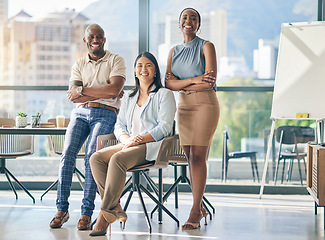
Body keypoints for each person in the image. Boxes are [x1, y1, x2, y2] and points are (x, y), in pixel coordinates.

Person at [89, 52, 176, 236]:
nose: (143, 69)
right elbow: (119, 125)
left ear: (155, 71)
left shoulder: (164, 94)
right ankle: (115, 206)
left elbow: (165, 127)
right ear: (135, 72)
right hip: (129, 143)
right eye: (139, 66)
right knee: (96, 158)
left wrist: (140, 139)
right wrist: (127, 139)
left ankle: (103, 217)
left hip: (151, 146)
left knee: (117, 159)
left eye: (148, 65)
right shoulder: (128, 96)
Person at [49, 24, 126, 230]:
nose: (95, 39)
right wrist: (106, 91)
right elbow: (74, 97)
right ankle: (62, 209)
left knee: (92, 156)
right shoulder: (79, 64)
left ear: (104, 39)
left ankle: (86, 212)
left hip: (106, 113)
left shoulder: (115, 60)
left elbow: (115, 89)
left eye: (99, 36)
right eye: (91, 36)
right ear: (85, 40)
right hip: (80, 113)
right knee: (67, 155)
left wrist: (85, 91)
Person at [165, 8, 220, 230]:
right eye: (185, 18)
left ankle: (196, 209)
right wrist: (195, 78)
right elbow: (168, 83)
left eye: (193, 18)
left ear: (199, 25)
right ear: (179, 24)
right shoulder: (173, 51)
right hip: (183, 106)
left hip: (204, 104)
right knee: (189, 157)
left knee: (198, 157)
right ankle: (200, 206)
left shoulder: (207, 46)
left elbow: (210, 82)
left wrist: (182, 82)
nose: (189, 21)